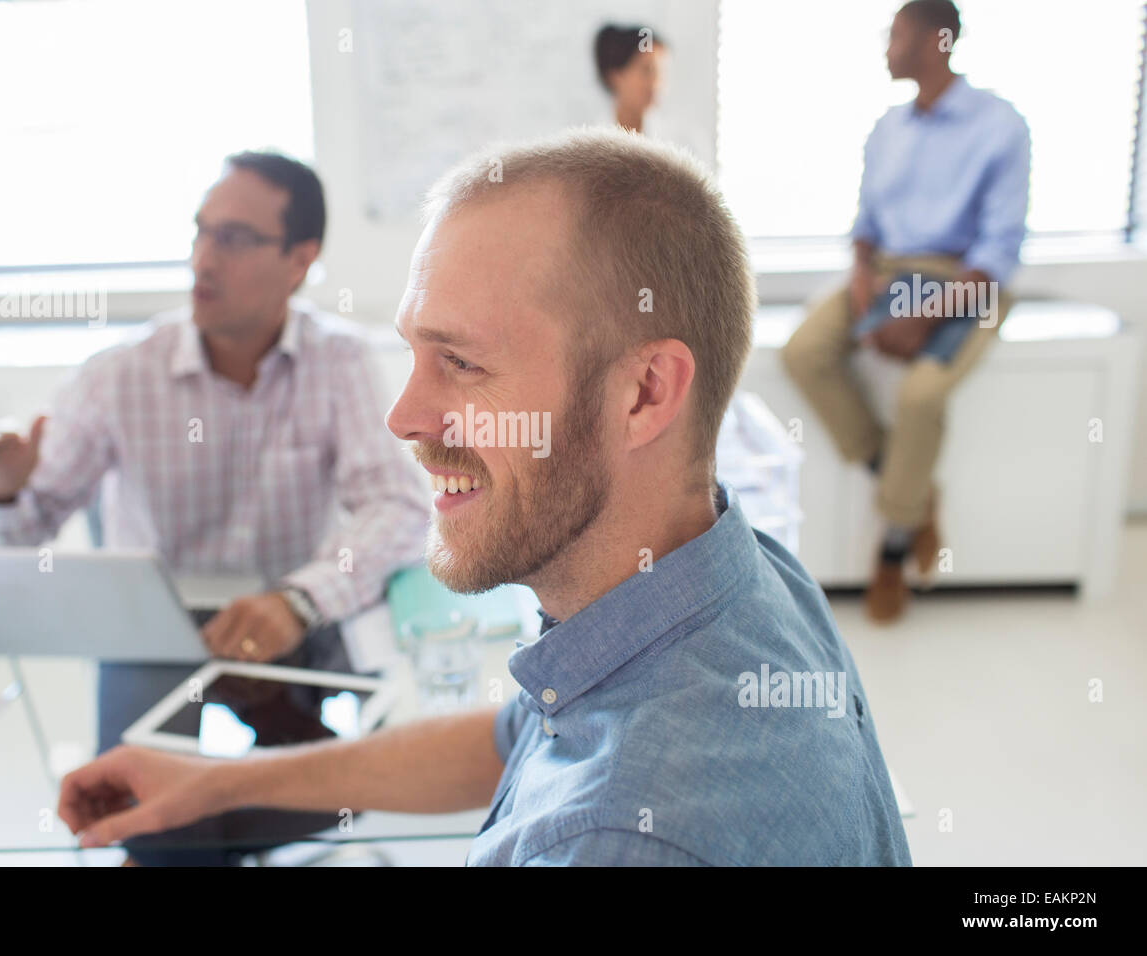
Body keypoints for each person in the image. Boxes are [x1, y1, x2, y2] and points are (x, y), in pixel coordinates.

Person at [58, 127, 911, 866]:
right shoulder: (735, 570)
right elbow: (514, 740)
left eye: (461, 364)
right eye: (417, 356)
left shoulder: (622, 840)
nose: (404, 417)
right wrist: (211, 785)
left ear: (645, 393)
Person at [0, 151, 430, 862]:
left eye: (233, 239)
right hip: (156, 626)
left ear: (301, 258)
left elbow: (396, 508)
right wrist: (0, 493)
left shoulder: (340, 362)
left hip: (291, 619)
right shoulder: (118, 375)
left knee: (347, 789)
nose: (204, 259)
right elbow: (3, 561)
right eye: (200, 233)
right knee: (149, 820)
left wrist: (298, 599)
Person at [781, 0, 1030, 623]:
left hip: (962, 281)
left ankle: (892, 548)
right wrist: (864, 283)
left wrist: (925, 314)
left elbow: (997, 252)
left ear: (936, 41)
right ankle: (910, 489)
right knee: (803, 352)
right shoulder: (887, 128)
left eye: (896, 34)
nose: (886, 47)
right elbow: (864, 227)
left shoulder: (1001, 126)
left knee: (921, 397)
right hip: (887, 273)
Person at [593, 23, 668, 136]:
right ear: (615, 76)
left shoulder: (683, 140)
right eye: (647, 70)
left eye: (659, 72)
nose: (656, 83)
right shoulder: (589, 139)